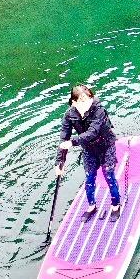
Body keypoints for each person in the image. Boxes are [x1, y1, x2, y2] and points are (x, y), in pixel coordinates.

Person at [54, 85, 122, 222]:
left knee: (109, 176)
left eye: (89, 99)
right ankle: (92, 206)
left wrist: (73, 142)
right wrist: (60, 162)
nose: (88, 103)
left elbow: (93, 132)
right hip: (89, 149)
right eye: (83, 100)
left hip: (106, 146)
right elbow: (63, 138)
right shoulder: (69, 115)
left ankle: (116, 205)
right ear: (74, 102)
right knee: (89, 179)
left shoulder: (99, 110)